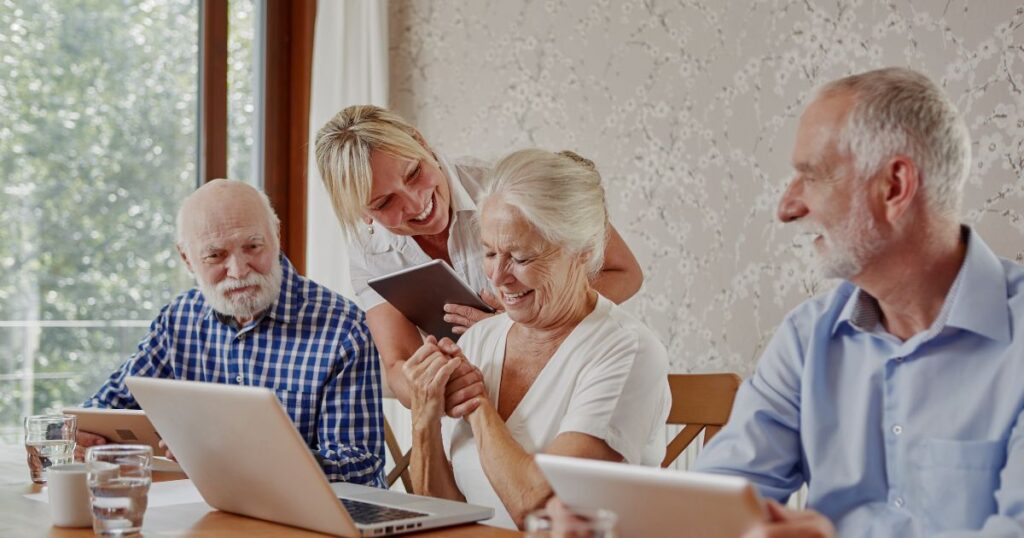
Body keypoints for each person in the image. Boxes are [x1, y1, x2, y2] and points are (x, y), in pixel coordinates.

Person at [692, 67, 1024, 537]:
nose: (787, 207)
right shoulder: (807, 338)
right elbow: (715, 504)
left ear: (893, 186)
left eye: (811, 176)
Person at [403, 149, 671, 529]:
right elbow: (445, 516)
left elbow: (547, 514)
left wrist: (477, 405)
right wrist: (423, 414)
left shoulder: (628, 351)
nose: (496, 277)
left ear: (584, 252)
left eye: (522, 258)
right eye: (489, 252)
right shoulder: (478, 341)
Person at [314, 106, 645, 411]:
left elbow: (625, 273)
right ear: (363, 213)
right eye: (385, 202)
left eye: (414, 172)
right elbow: (399, 365)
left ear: (421, 143)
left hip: (569, 383)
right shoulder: (369, 250)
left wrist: (517, 325)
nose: (415, 204)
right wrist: (428, 384)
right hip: (476, 409)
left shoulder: (502, 186)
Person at [77, 179, 386, 487]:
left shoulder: (343, 328)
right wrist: (83, 437)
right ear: (187, 258)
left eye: (252, 246)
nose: (239, 270)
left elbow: (359, 466)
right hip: (213, 512)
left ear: (275, 236)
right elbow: (106, 409)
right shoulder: (178, 320)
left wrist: (239, 459)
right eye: (215, 256)